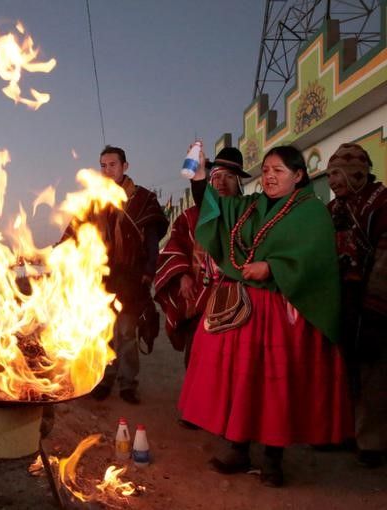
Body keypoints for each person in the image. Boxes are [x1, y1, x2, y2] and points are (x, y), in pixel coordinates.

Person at [178, 145, 353, 487]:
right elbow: (219, 210)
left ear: (299, 175)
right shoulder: (251, 206)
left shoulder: (311, 212)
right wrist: (200, 179)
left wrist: (273, 266)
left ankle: (273, 458)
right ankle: (237, 447)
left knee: (275, 386)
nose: (271, 176)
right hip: (243, 310)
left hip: (282, 313)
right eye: (268, 170)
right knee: (242, 380)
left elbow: (315, 259)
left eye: (280, 171)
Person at [63, 145, 168, 404]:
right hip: (102, 278)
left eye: (112, 164)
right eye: (103, 165)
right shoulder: (94, 202)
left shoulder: (142, 199)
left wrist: (148, 273)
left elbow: (152, 242)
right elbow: (74, 230)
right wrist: (58, 252)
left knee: (126, 333)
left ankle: (128, 384)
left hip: (132, 279)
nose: (107, 170)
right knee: (104, 333)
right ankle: (104, 379)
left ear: (125, 167)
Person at [154, 147, 248, 368]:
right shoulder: (190, 217)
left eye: (229, 177)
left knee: (234, 362)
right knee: (197, 358)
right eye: (217, 176)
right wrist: (183, 276)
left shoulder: (248, 212)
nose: (222, 182)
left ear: (239, 182)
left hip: (240, 301)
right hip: (199, 298)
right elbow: (174, 246)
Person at [326, 142, 387, 468]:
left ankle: (372, 442)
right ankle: (343, 432)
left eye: (337, 174)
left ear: (357, 173)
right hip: (342, 303)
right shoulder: (335, 210)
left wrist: (375, 307)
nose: (332, 182)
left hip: (373, 303)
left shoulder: (382, 205)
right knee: (342, 370)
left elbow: (385, 260)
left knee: (373, 373)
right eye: (330, 175)